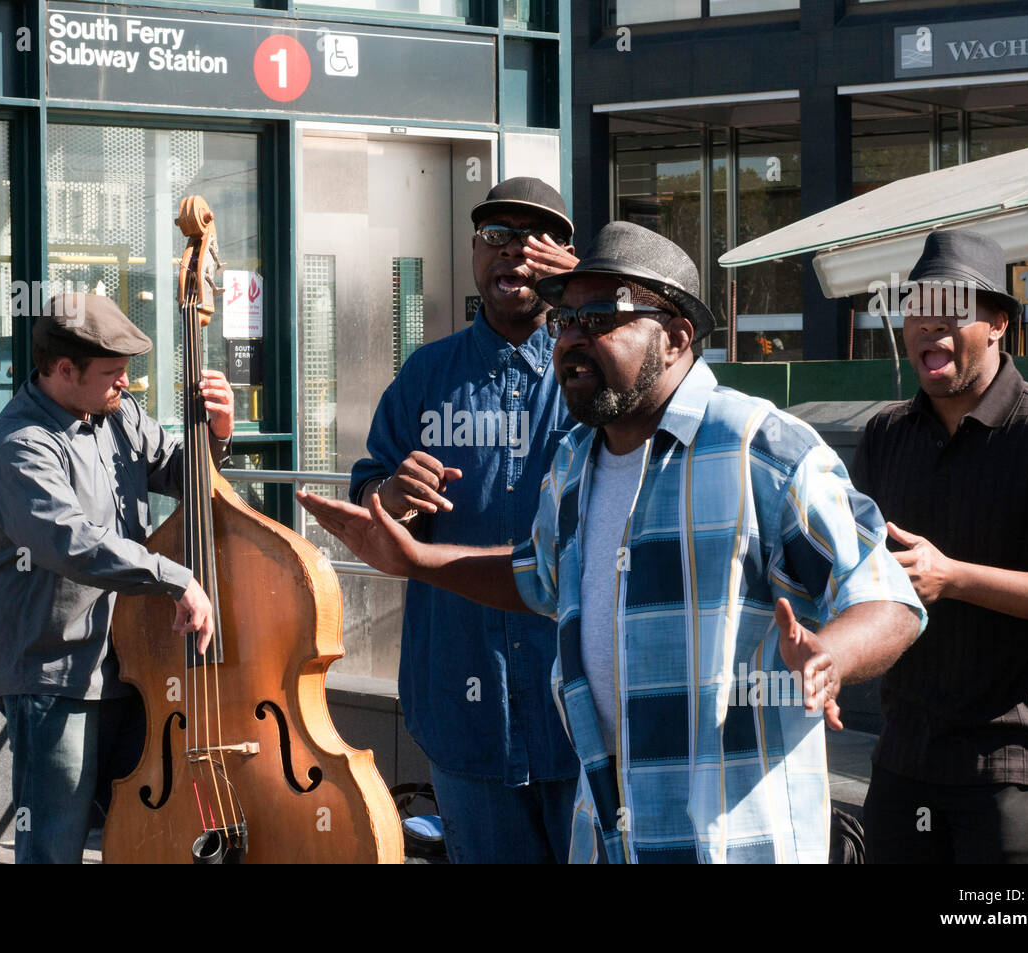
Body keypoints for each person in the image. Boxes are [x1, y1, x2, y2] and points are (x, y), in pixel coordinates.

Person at [304, 221, 926, 863]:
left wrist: (830, 658)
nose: (572, 338)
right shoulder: (575, 462)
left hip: (732, 845)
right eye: (564, 321)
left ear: (677, 335)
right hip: (606, 837)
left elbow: (889, 596)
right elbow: (537, 577)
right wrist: (417, 560)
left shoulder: (760, 449)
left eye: (600, 318)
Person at [851, 230, 1028, 864]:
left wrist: (953, 577)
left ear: (1000, 322)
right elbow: (852, 566)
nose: (929, 328)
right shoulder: (886, 435)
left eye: (951, 311)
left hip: (1014, 766)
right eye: (916, 310)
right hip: (904, 756)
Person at [346, 177, 581, 863]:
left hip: (579, 712)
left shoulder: (596, 367)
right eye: (496, 236)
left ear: (565, 255)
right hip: (461, 702)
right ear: (475, 252)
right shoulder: (427, 375)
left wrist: (590, 302)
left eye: (535, 238)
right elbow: (369, 495)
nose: (514, 253)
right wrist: (390, 495)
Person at [0, 293, 233, 864]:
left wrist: (217, 433)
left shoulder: (117, 415)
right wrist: (176, 578)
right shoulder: (19, 445)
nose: (126, 385)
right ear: (64, 370)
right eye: (113, 374)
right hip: (54, 673)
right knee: (54, 846)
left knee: (147, 835)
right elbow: (71, 542)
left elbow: (178, 472)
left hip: (127, 664)